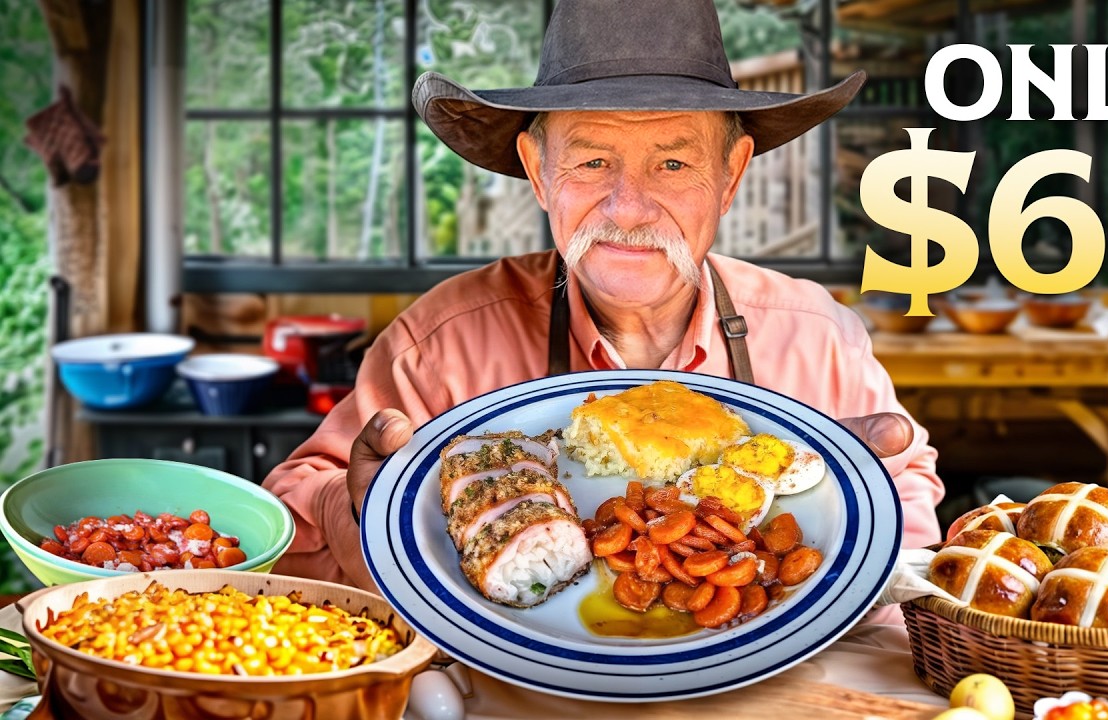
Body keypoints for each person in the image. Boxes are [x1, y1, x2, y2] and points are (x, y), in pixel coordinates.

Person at [263, 0, 944, 593]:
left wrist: (875, 580)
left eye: (673, 163)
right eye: (592, 162)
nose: (628, 208)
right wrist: (361, 511)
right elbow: (285, 522)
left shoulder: (816, 336)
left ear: (729, 177)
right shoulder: (441, 342)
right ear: (538, 172)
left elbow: (906, 486)